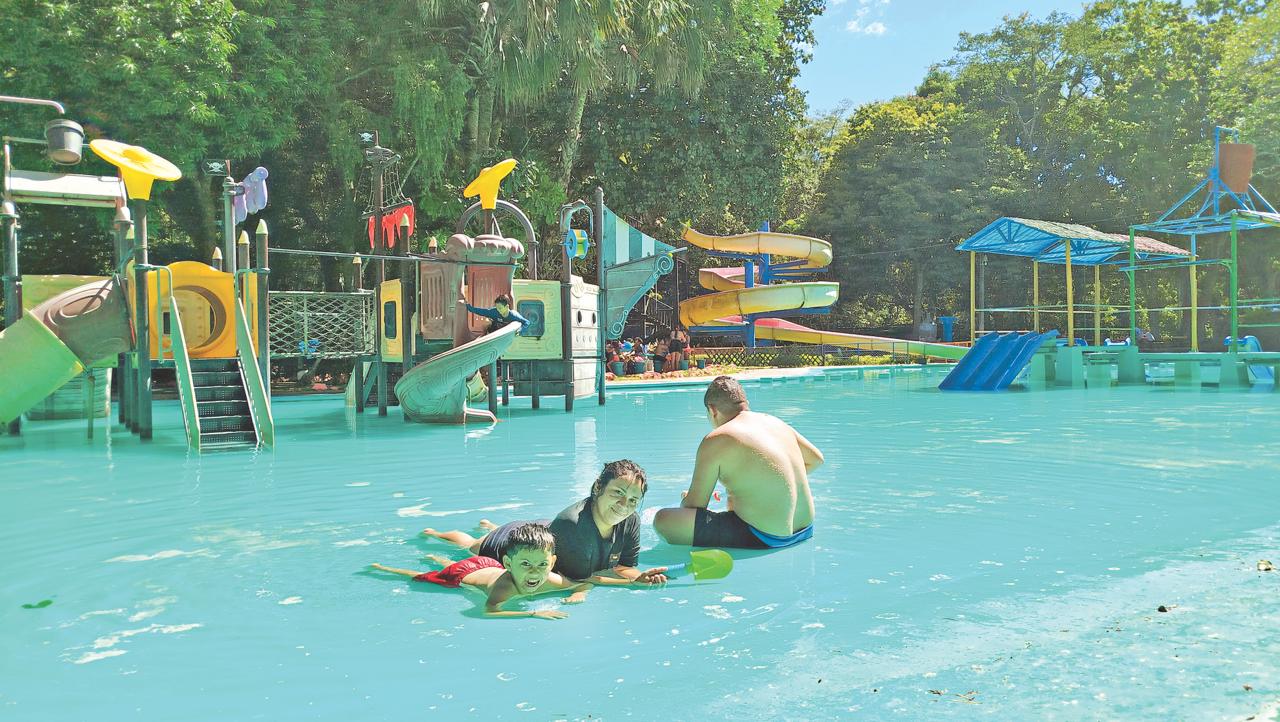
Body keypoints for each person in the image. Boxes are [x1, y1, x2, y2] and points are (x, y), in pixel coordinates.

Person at [422, 460, 668, 586]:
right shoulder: (573, 526)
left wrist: (642, 577)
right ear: (597, 488)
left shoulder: (631, 521)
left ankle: (489, 524)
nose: (625, 504)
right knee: (471, 545)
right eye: (618, 493)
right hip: (512, 541)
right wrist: (631, 584)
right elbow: (582, 579)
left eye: (633, 499)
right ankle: (435, 533)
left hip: (545, 530)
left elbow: (624, 567)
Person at [653, 376, 822, 549]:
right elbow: (816, 460)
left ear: (712, 410)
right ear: (746, 403)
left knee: (664, 520)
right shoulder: (775, 422)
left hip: (765, 536)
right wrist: (771, 483)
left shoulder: (717, 438)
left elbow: (695, 505)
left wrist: (685, 499)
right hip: (805, 529)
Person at [371, 523, 590, 620]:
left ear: (552, 563)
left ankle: (435, 544)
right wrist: (533, 614)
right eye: (526, 565)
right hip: (461, 575)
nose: (535, 572)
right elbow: (489, 611)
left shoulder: (550, 579)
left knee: (461, 552)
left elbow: (583, 584)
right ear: (508, 563)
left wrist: (578, 594)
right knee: (421, 577)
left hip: (487, 565)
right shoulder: (505, 588)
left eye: (542, 565)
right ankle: (383, 568)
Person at [460, 293, 530, 333]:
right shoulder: (494, 312)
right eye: (497, 307)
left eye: (500, 308)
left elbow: (526, 322)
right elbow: (481, 311)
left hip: (505, 333)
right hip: (495, 331)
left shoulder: (514, 315)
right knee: (488, 323)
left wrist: (521, 330)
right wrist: (468, 307)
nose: (498, 310)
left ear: (507, 306)